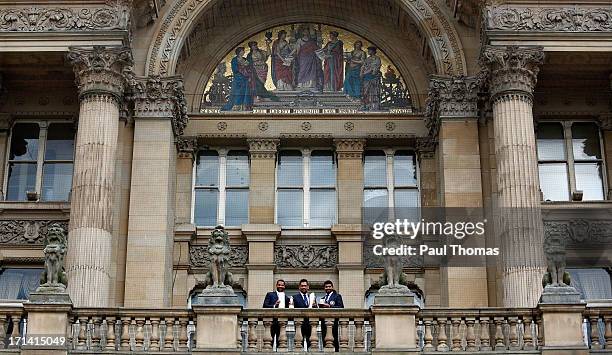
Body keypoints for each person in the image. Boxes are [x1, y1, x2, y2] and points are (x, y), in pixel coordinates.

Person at [263, 279, 290, 348]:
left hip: (282, 322)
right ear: (276, 285)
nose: (281, 286)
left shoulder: (286, 298)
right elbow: (265, 306)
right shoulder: (270, 294)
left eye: (282, 285)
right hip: (271, 322)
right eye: (279, 284)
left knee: (281, 342)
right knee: (269, 342)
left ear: (284, 286)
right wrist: (274, 305)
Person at [319, 280, 344, 351]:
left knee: (334, 338)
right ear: (324, 288)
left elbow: (341, 307)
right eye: (326, 287)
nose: (328, 288)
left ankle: (336, 351)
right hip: (323, 321)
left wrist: (329, 306)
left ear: (332, 287)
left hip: (333, 321)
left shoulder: (337, 296)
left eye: (329, 286)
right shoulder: (323, 298)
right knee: (324, 337)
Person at [293, 279, 317, 349]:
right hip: (299, 323)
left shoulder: (312, 297)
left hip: (311, 323)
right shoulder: (294, 297)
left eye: (305, 286)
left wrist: (315, 306)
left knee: (311, 344)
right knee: (299, 344)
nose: (304, 287)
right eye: (302, 286)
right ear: (299, 287)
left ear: (308, 287)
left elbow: (315, 310)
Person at [361, 46, 382, 111]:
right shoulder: (367, 59)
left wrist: (365, 72)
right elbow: (363, 66)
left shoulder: (377, 59)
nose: (368, 52)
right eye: (368, 50)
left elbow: (373, 68)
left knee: (373, 92)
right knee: (365, 92)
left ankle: (373, 106)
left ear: (373, 51)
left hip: (373, 78)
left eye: (369, 50)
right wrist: (361, 72)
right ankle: (366, 105)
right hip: (366, 77)